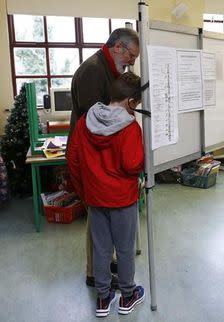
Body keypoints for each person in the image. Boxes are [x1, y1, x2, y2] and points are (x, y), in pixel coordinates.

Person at [67, 72, 145, 317]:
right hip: (122, 199)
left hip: (95, 199)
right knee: (124, 249)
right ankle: (128, 294)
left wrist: (84, 193)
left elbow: (73, 158)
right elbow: (132, 164)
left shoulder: (85, 121)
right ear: (130, 101)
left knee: (101, 249)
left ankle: (103, 298)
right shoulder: (130, 128)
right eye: (137, 105)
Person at [69, 27, 140, 287]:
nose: (132, 62)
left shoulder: (108, 68)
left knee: (101, 220)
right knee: (96, 218)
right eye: (131, 55)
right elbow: (94, 122)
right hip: (92, 157)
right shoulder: (93, 70)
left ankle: (104, 266)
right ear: (118, 47)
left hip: (100, 159)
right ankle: (93, 273)